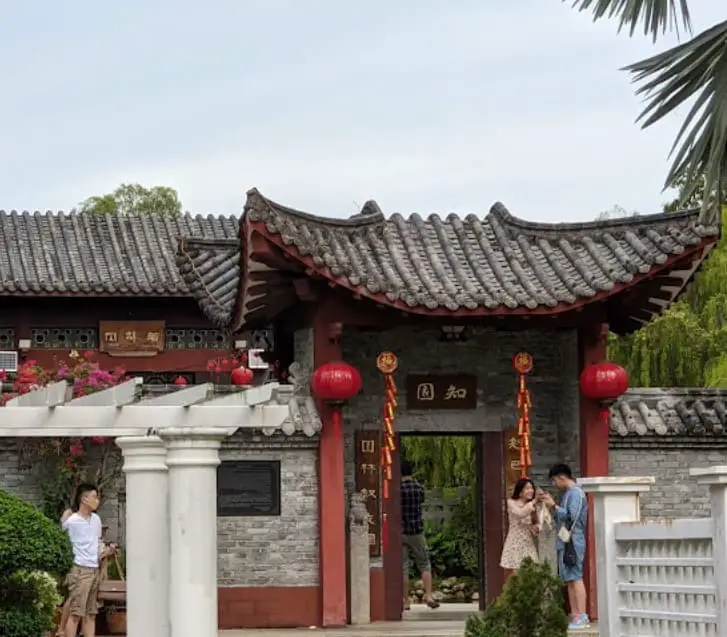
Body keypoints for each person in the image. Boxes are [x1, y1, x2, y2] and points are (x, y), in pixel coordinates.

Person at [539, 463, 589, 630]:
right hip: (565, 539)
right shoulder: (567, 493)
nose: (554, 484)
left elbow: (571, 517)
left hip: (573, 540)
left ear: (562, 477)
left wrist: (554, 505)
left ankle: (582, 615)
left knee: (575, 576)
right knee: (568, 579)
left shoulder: (576, 493)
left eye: (554, 480)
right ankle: (574, 615)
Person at [61, 484, 115, 637]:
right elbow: (62, 538)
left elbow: (97, 543)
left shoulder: (96, 519)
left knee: (91, 614)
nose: (97, 500)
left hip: (94, 570)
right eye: (94, 497)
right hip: (79, 570)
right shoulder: (72, 521)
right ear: (84, 499)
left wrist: (107, 552)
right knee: (76, 613)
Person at [401, 460, 440, 610]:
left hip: (401, 531)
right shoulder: (418, 488)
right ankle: (429, 595)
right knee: (424, 563)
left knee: (403, 567)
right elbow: (421, 501)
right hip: (417, 530)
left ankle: (405, 601)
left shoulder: (397, 488)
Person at [499, 477, 540, 577]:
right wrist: (534, 502)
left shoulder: (533, 506)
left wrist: (537, 528)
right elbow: (520, 513)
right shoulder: (511, 502)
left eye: (532, 488)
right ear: (520, 491)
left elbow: (534, 526)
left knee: (531, 574)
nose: (531, 490)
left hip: (528, 544)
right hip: (515, 543)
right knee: (517, 576)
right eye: (527, 488)